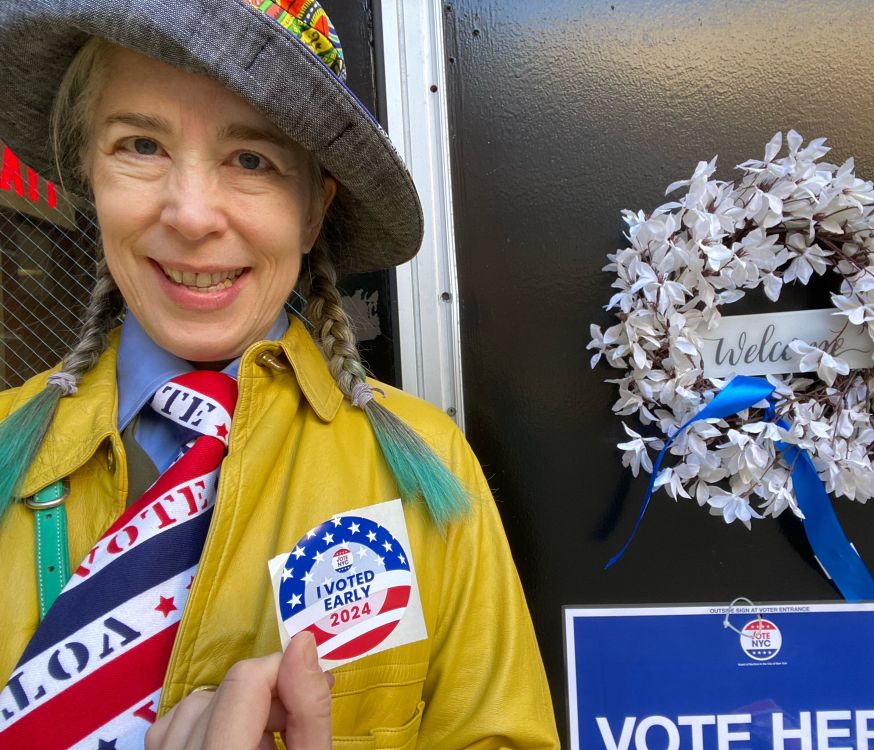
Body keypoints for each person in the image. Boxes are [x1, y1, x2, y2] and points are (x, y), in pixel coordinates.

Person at [0, 0, 559, 747]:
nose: (192, 214)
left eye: (251, 159)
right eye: (140, 144)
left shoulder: (427, 468)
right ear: (90, 175)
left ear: (311, 208)